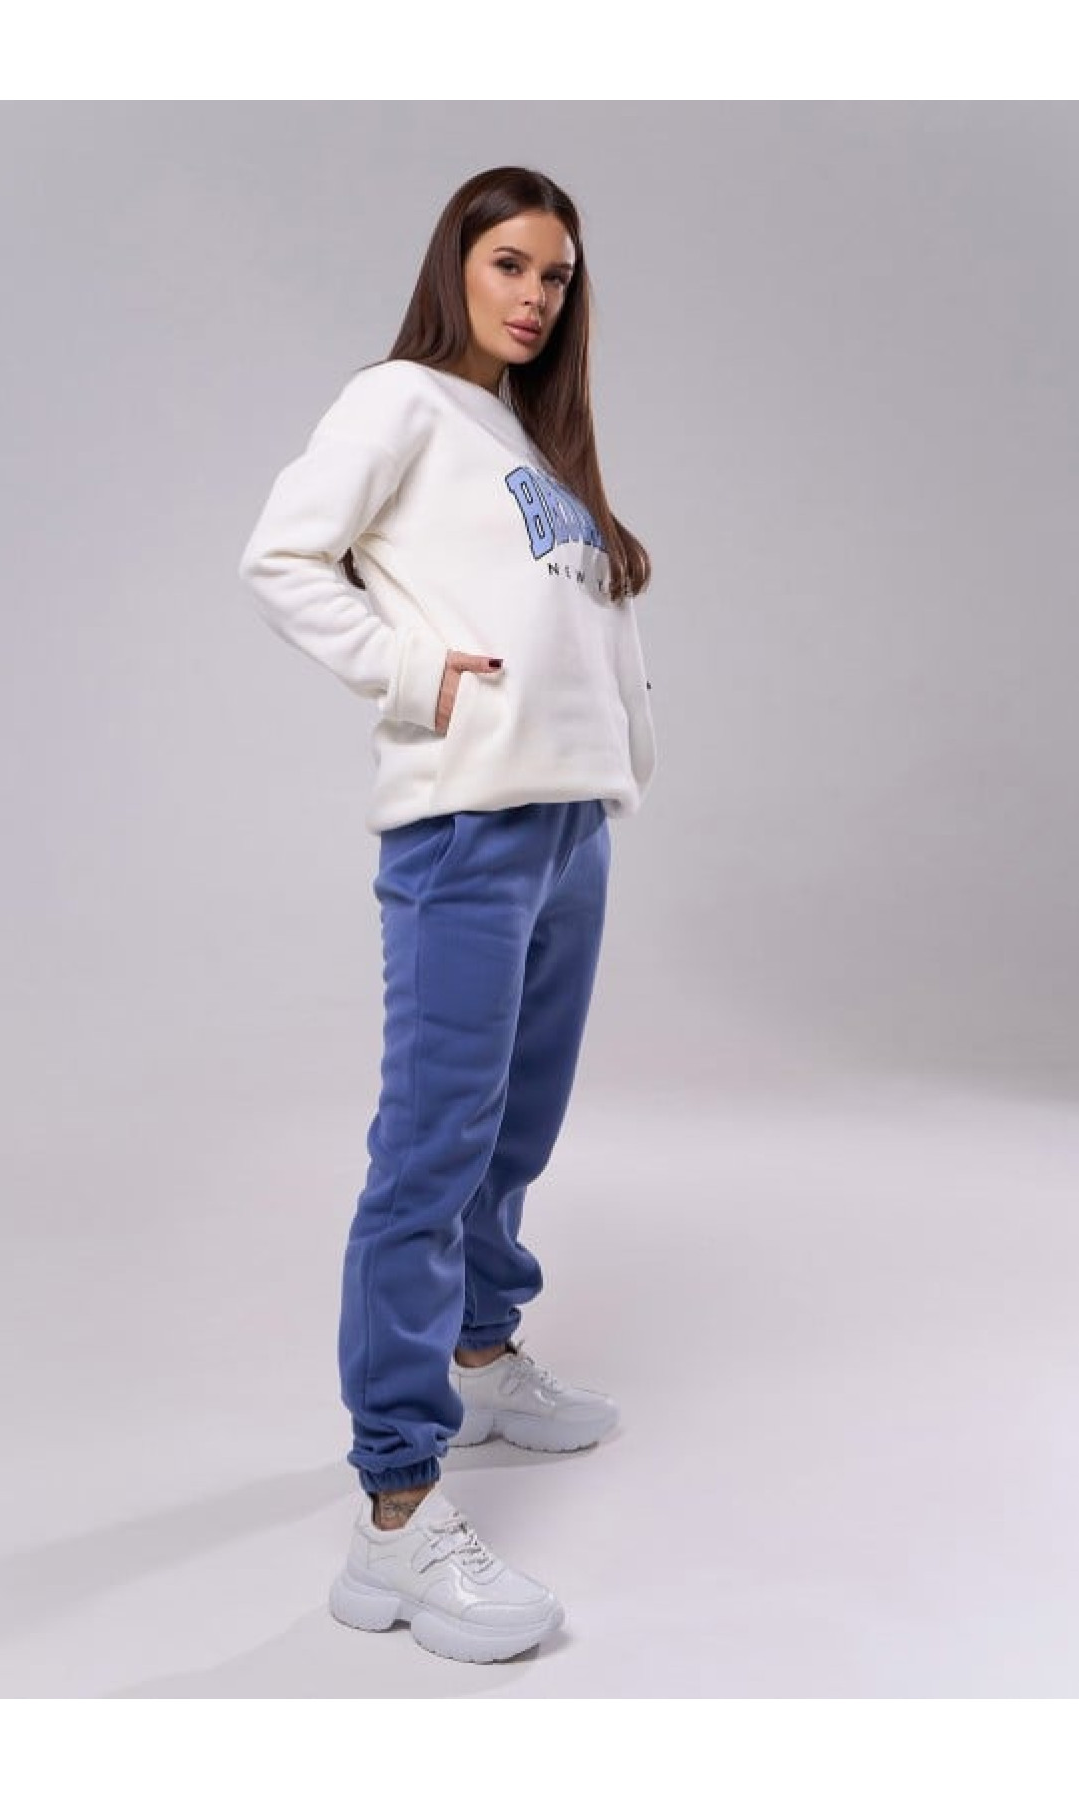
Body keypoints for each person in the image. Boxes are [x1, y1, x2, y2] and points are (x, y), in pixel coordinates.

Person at [237, 165, 657, 1664]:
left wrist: (613, 768)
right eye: (511, 265)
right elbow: (281, 556)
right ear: (457, 267)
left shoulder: (525, 438)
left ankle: (480, 1356)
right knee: (431, 1150)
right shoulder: (400, 400)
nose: (536, 296)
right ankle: (397, 1515)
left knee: (513, 1131)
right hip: (468, 827)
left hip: (566, 824)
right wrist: (415, 678)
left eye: (557, 275)